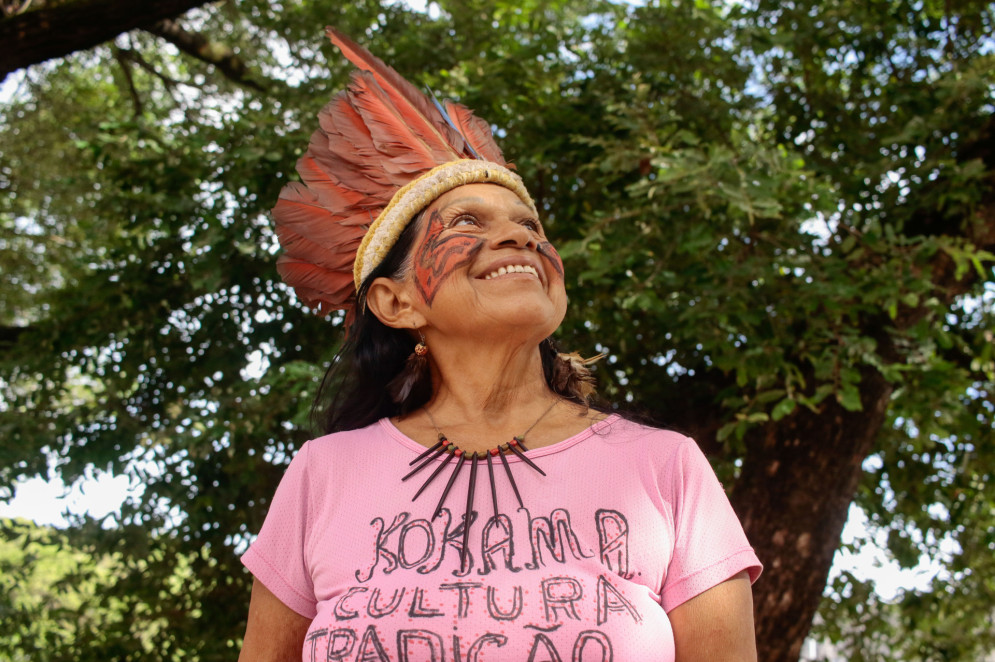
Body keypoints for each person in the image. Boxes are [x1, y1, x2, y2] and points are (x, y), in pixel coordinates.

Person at [239, 28, 761, 662]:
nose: (520, 240)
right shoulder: (322, 476)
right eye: (466, 223)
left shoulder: (667, 470)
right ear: (395, 302)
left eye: (531, 227)